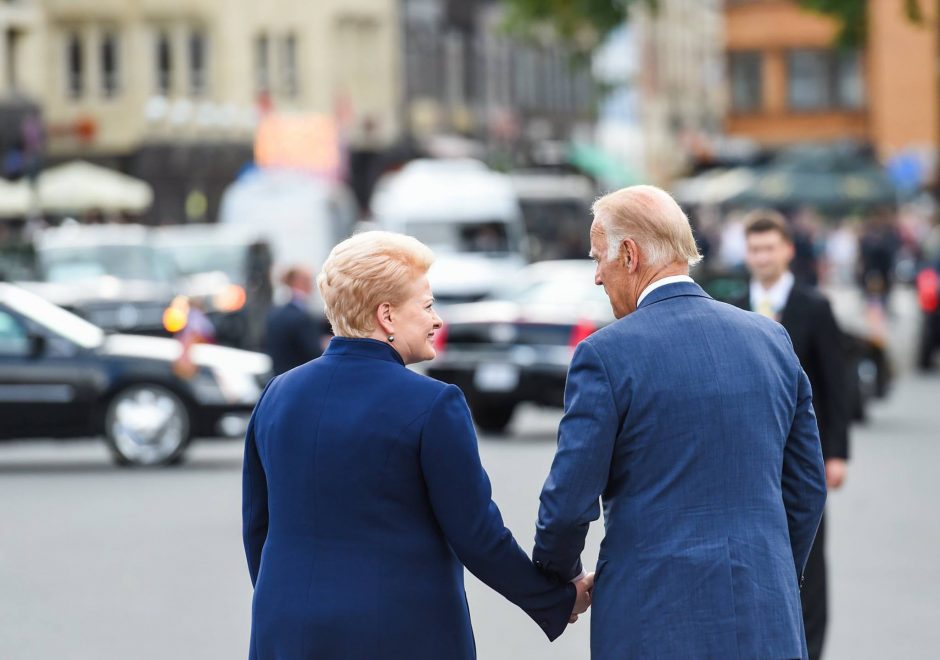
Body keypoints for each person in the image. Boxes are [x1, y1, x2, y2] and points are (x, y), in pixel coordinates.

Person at [243, 231, 592, 660]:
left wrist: (287, 602)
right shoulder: (433, 404)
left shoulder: (277, 395)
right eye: (427, 306)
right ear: (386, 315)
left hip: (284, 629)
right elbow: (477, 535)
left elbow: (257, 526)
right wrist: (555, 599)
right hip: (398, 633)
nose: (437, 320)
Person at [533, 185, 827, 659]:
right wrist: (768, 570)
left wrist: (556, 577)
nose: (596, 278)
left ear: (628, 255)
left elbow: (568, 504)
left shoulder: (605, 356)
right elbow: (807, 488)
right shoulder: (771, 339)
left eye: (597, 259)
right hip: (765, 613)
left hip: (652, 616)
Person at [735, 210, 850, 660]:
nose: (762, 256)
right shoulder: (730, 302)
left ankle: (809, 648)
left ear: (787, 251)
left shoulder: (814, 307)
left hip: (803, 452)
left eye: (769, 248)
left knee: (810, 557)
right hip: (749, 451)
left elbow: (835, 384)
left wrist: (837, 453)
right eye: (754, 248)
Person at [264, 266, 327, 375]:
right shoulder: (301, 317)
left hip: (279, 378)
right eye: (309, 281)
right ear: (300, 282)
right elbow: (313, 352)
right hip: (299, 378)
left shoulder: (274, 313)